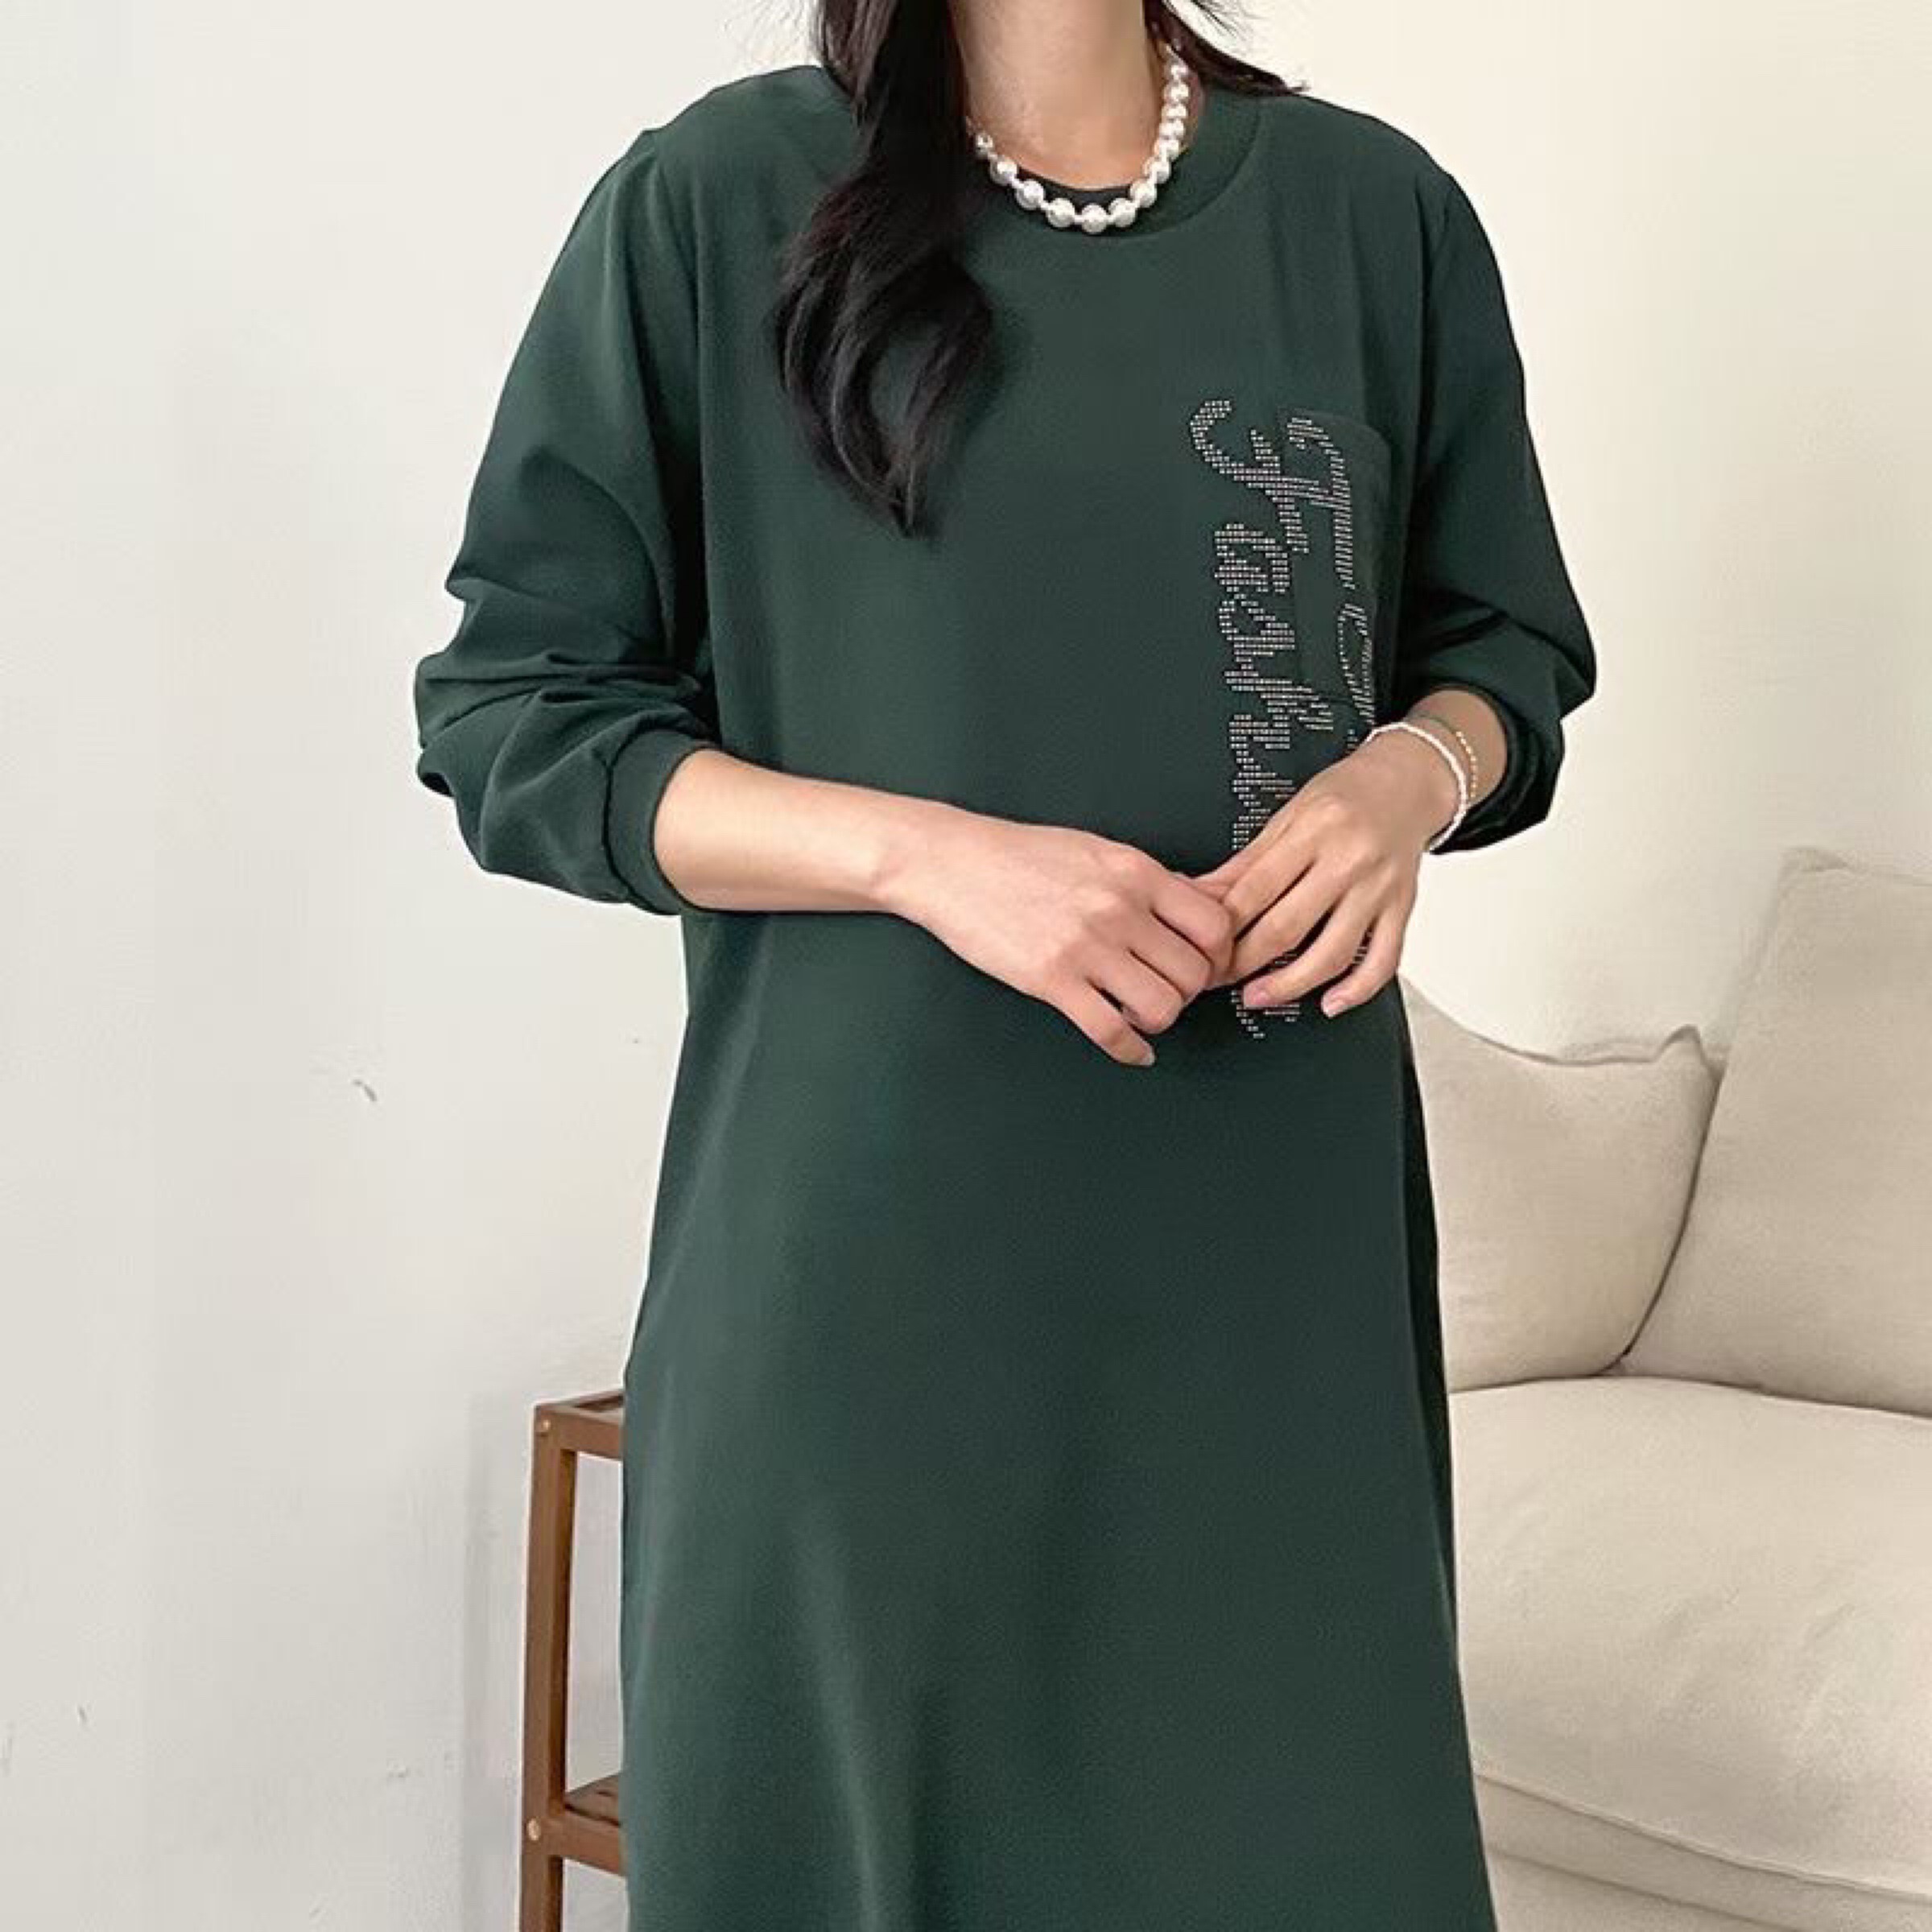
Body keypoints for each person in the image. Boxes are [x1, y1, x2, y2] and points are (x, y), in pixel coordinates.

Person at [412, 2, 1596, 1923]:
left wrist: (1410, 777)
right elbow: (516, 720)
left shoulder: (1374, 217)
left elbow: (1505, 651)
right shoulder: (714, 202)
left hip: (1270, 1285)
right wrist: (927, 860)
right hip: (881, 1274)